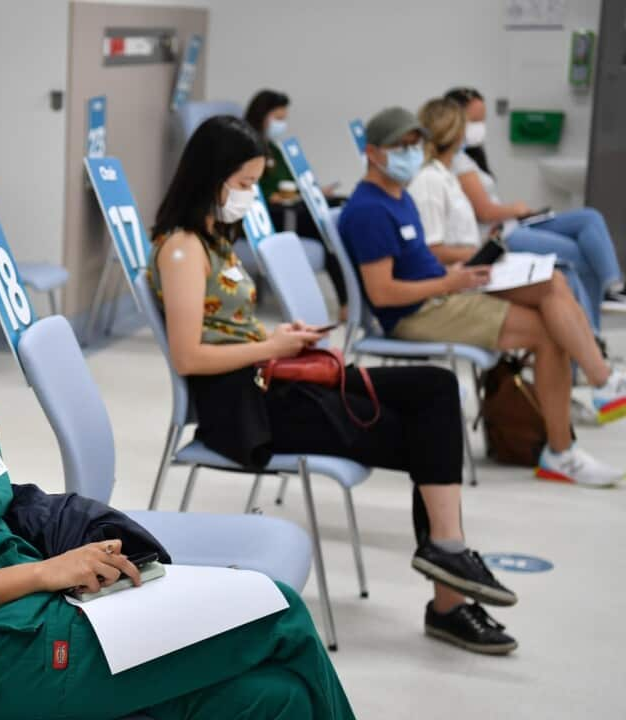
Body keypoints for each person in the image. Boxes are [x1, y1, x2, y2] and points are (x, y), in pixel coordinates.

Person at [0, 216, 355, 719]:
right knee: (279, 612)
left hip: (47, 618)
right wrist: (45, 572)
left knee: (278, 697)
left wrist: (66, 570)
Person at [151, 114, 519, 655]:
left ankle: (446, 554)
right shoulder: (182, 248)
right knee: (428, 431)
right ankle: (449, 592)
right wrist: (271, 347)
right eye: (247, 184)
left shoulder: (214, 238)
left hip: (271, 377)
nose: (253, 198)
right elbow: (190, 354)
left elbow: (224, 326)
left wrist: (279, 336)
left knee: (435, 388)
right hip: (244, 406)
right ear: (211, 177)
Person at [339, 107, 626, 487]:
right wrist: (448, 284)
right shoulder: (368, 210)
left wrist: (456, 275)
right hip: (417, 312)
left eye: (415, 143)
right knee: (546, 330)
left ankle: (592, 400)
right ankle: (574, 430)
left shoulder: (397, 196)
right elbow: (384, 293)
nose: (411, 152)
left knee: (552, 281)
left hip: (443, 290)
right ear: (373, 153)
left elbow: (421, 262)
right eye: (400, 146)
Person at [444, 86, 626, 329]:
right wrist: (516, 209)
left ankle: (613, 288)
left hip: (513, 224)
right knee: (579, 255)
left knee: (589, 218)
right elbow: (485, 212)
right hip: (502, 234)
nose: (480, 127)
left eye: (482, 120)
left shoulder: (470, 157)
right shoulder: (457, 163)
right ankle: (592, 332)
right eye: (474, 120)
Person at [244, 89, 349, 316]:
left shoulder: (275, 149)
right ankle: (345, 303)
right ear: (261, 115)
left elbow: (291, 184)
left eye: (284, 119)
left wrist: (312, 192)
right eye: (278, 118)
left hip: (292, 209)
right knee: (326, 232)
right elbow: (257, 191)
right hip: (273, 216)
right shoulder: (247, 148)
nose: (282, 124)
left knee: (339, 212)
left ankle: (349, 300)